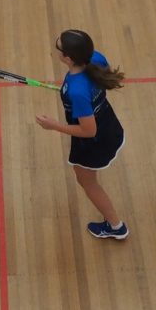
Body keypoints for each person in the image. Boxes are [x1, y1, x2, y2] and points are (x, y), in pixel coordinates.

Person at [34, 29, 129, 239]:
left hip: (94, 140)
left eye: (59, 48)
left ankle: (116, 227)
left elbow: (88, 130)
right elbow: (90, 86)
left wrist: (53, 125)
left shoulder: (77, 91)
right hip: (109, 124)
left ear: (67, 58)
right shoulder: (96, 58)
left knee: (87, 182)